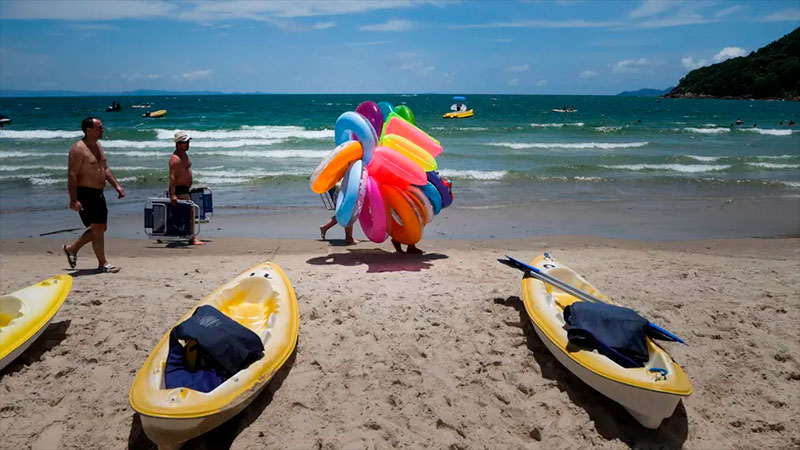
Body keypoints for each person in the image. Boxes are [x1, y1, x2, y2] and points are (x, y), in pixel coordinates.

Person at [62, 117, 125, 273]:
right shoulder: (78, 149)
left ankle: (72, 249)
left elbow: (105, 168)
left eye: (102, 127)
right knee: (97, 228)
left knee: (101, 228)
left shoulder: (97, 146)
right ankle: (103, 263)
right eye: (99, 128)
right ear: (89, 130)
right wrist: (73, 200)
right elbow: (72, 175)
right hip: (85, 192)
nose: (102, 130)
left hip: (98, 193)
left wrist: (116, 186)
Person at [169, 130, 204, 245]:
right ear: (178, 144)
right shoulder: (175, 159)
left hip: (185, 188)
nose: (187, 144)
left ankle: (166, 231)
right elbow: (172, 178)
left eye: (188, 142)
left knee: (179, 213)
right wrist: (173, 194)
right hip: (179, 188)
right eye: (185, 142)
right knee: (190, 211)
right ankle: (192, 238)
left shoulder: (183, 154)